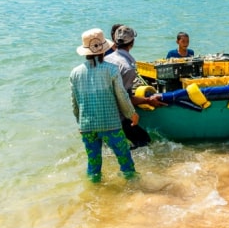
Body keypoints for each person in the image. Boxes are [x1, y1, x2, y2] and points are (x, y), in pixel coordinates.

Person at [70, 28, 139, 182]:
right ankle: (134, 190)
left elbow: (75, 103)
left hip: (87, 126)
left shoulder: (75, 73)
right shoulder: (111, 69)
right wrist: (132, 114)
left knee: (93, 165)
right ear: (104, 49)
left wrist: (79, 123)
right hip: (111, 125)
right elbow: (122, 96)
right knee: (125, 159)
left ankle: (94, 193)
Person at [105, 25, 166, 149]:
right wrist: (148, 100)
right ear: (132, 43)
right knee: (144, 141)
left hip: (100, 114)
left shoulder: (105, 59)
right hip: (115, 117)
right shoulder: (127, 67)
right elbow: (125, 98)